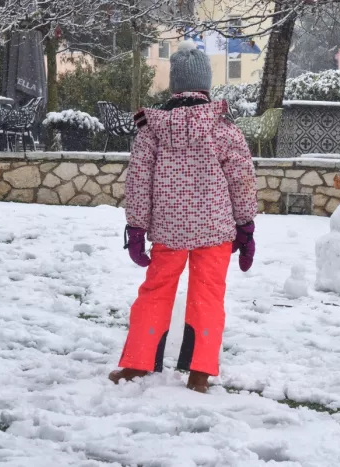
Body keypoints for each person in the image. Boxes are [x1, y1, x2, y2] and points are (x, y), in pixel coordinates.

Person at [108, 41, 257, 393]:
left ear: (174, 86)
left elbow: (138, 181)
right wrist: (245, 226)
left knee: (155, 293)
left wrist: (136, 226)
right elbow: (242, 179)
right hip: (215, 230)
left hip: (168, 231)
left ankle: (137, 364)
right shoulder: (223, 129)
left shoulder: (151, 131)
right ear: (206, 85)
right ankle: (200, 372)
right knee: (208, 297)